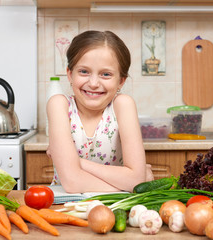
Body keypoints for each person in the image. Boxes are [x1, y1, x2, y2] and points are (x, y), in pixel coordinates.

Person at [47, 30, 154, 193]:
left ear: (121, 81)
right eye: (84, 71)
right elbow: (72, 183)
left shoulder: (123, 105)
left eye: (106, 74)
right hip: (64, 206)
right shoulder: (59, 105)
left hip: (114, 207)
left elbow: (135, 180)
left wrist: (76, 163)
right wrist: (128, 184)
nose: (94, 83)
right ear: (70, 74)